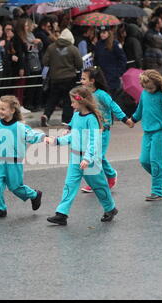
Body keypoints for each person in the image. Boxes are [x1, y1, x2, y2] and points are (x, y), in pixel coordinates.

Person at [45, 86, 119, 225]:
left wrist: (87, 158)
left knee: (99, 186)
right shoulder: (76, 115)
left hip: (89, 160)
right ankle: (61, 214)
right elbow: (73, 135)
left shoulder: (91, 119)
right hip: (75, 158)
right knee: (69, 185)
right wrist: (56, 141)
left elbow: (94, 141)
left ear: (82, 101)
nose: (71, 104)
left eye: (73, 102)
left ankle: (110, 208)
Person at [126, 69, 162, 200]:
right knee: (144, 161)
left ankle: (157, 191)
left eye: (151, 88)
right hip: (147, 132)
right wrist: (133, 119)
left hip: (160, 132)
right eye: (145, 88)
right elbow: (140, 110)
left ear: (158, 84)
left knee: (156, 162)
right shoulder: (144, 94)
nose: (148, 90)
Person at [79, 67, 132, 193]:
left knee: (98, 157)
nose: (81, 81)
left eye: (83, 78)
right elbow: (79, 110)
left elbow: (113, 106)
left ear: (92, 81)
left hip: (103, 131)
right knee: (93, 156)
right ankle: (98, 181)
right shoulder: (85, 94)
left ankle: (109, 176)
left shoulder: (102, 95)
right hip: (90, 131)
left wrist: (125, 119)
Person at [41, 28, 83, 126]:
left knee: (52, 98)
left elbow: (45, 62)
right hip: (69, 78)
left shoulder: (51, 47)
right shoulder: (73, 49)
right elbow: (80, 64)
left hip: (55, 78)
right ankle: (66, 120)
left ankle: (46, 115)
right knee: (68, 100)